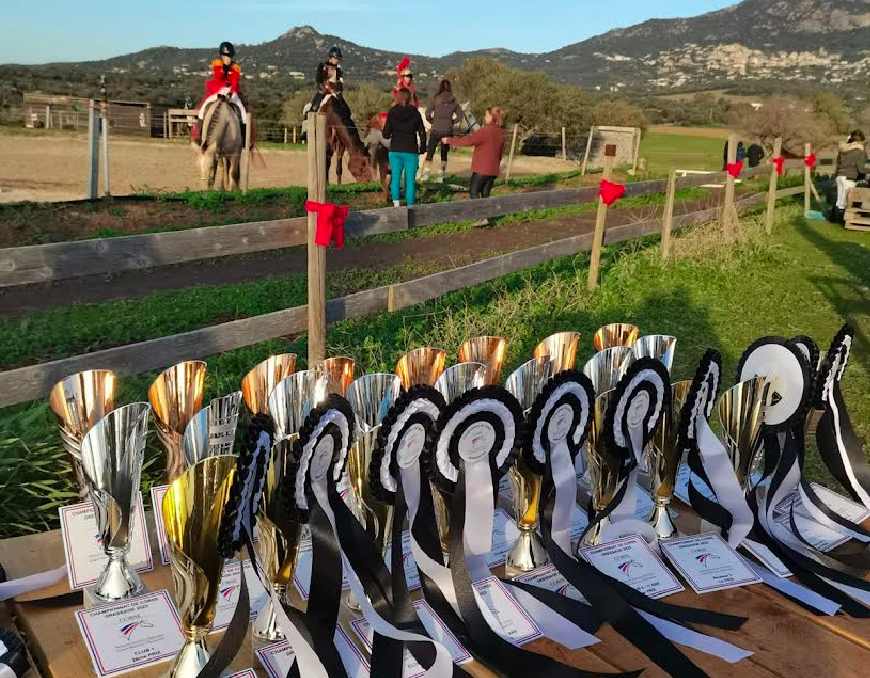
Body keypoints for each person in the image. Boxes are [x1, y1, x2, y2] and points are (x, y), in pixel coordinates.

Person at [443, 107, 506, 203]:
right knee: (485, 195)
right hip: (493, 170)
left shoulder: (484, 131)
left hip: (482, 169)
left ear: (491, 117)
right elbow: (500, 153)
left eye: (486, 115)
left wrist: (448, 140)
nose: (484, 117)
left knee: (473, 192)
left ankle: (480, 212)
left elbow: (468, 141)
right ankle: (486, 212)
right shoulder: (500, 132)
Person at [194, 42, 249, 144]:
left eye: (228, 56)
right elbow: (218, 77)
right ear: (221, 55)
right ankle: (200, 136)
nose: (226, 58)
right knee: (203, 109)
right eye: (224, 56)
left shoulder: (236, 67)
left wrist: (231, 93)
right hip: (218, 89)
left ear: (231, 56)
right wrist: (224, 67)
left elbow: (235, 81)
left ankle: (244, 140)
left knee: (243, 112)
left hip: (231, 90)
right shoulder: (217, 63)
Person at [383, 88, 426, 206]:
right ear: (409, 98)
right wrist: (422, 148)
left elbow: (386, 135)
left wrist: (385, 129)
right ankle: (410, 207)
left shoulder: (392, 112)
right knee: (410, 181)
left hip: (395, 150)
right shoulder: (415, 112)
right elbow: (422, 132)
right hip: (411, 151)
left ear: (398, 97)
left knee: (396, 178)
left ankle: (396, 205)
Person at [423, 79, 464, 182]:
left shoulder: (435, 98)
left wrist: (433, 121)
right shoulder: (454, 100)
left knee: (430, 151)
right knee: (444, 153)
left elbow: (427, 114)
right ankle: (441, 176)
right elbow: (460, 116)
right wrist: (451, 122)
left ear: (440, 87)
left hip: (436, 129)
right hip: (447, 130)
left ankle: (426, 175)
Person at [832, 130, 867, 223]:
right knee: (846, 201)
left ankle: (836, 220)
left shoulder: (843, 150)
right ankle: (842, 222)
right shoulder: (859, 152)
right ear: (860, 141)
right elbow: (861, 169)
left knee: (840, 201)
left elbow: (838, 163)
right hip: (848, 178)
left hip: (839, 176)